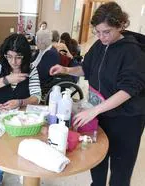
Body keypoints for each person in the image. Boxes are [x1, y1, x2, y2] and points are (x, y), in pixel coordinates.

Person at [50, 2, 145, 186]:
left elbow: (128, 90)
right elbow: (87, 69)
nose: (101, 37)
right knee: (98, 158)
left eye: (107, 32)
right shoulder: (100, 45)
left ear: (121, 25)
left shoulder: (132, 52)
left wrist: (93, 111)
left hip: (127, 118)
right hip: (103, 112)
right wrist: (65, 69)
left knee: (120, 167)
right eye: (98, 32)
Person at [0, 33, 42, 186]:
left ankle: (19, 174)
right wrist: (7, 80)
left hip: (17, 119)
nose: (14, 62)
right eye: (10, 56)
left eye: (18, 57)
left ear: (25, 56)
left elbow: (37, 96)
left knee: (18, 149)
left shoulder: (31, 69)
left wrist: (21, 101)